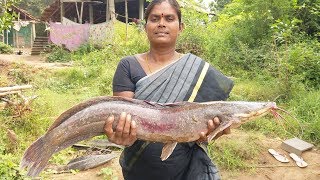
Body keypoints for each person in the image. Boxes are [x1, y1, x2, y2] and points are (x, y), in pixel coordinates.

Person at [104, 0, 234, 179]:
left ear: (180, 27)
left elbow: (205, 127)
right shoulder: (128, 65)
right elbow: (122, 119)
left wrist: (212, 133)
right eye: (155, 18)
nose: (161, 23)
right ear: (146, 26)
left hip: (187, 168)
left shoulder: (196, 70)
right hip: (139, 166)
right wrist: (120, 133)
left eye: (169, 18)